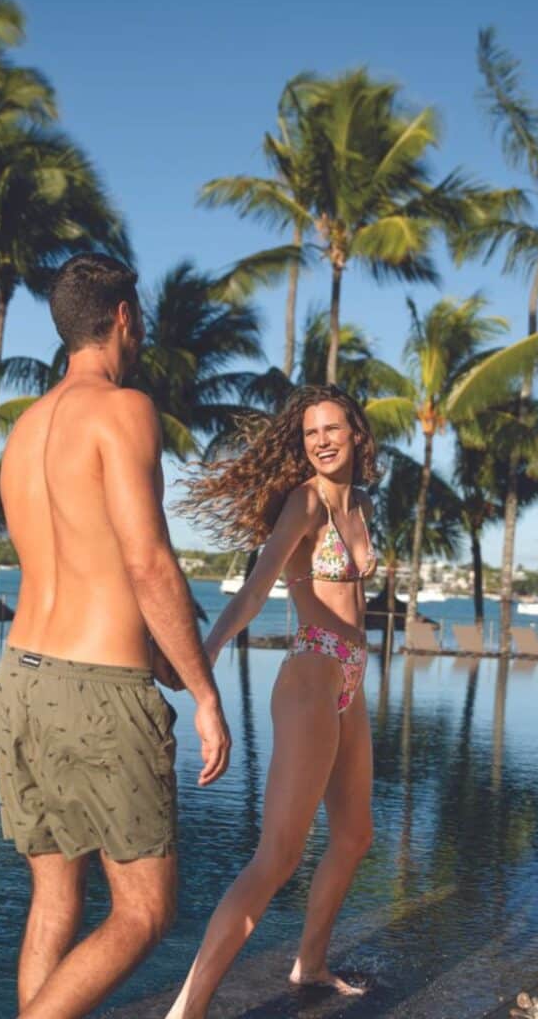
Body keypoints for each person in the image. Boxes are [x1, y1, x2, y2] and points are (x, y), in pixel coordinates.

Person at [0, 252, 231, 1019]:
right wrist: (204, 693)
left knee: (54, 900)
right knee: (144, 910)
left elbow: (79, 557)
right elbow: (147, 562)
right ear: (123, 318)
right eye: (142, 320)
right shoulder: (123, 410)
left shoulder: (24, 430)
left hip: (20, 679)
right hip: (97, 688)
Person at [167, 385, 379, 1018]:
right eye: (311, 432)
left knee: (354, 835)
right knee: (279, 854)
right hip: (312, 673)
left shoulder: (363, 503)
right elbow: (256, 593)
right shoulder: (305, 502)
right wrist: (201, 657)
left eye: (332, 428)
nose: (321, 440)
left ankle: (309, 963)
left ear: (356, 434)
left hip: (352, 678)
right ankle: (189, 1005)